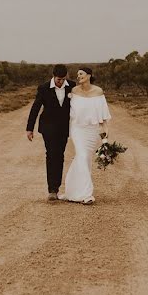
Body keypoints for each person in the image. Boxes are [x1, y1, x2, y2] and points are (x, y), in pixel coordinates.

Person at [61, 67, 111, 205]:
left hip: (92, 131)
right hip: (77, 129)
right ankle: (87, 194)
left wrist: (105, 136)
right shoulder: (74, 91)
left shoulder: (98, 91)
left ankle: (72, 190)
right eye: (77, 75)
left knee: (85, 159)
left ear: (89, 75)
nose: (78, 76)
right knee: (82, 155)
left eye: (81, 74)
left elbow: (103, 116)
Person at [27, 64, 76, 201]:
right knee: (51, 154)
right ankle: (52, 190)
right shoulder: (43, 88)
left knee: (60, 155)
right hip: (48, 127)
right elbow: (36, 107)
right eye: (58, 79)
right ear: (53, 76)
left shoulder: (72, 86)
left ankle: (57, 186)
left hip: (64, 128)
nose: (60, 82)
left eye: (62, 79)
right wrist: (29, 128)